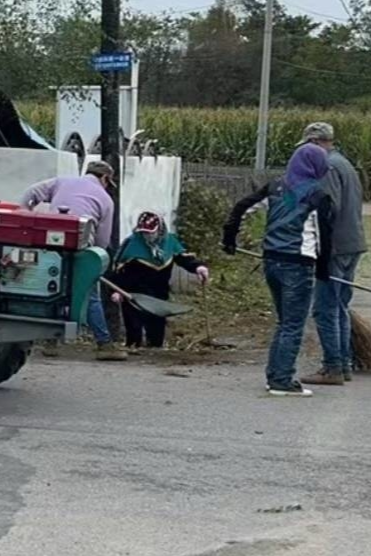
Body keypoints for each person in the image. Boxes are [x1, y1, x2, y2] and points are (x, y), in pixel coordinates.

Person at [222, 142, 335, 397]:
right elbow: (325, 236)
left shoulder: (276, 186)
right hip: (298, 263)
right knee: (293, 325)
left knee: (284, 322)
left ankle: (275, 375)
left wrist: (229, 238)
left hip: (271, 260)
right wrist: (323, 269)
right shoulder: (317, 195)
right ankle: (282, 380)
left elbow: (242, 206)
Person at [20, 159, 127, 361]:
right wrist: (94, 263)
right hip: (81, 248)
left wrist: (25, 214)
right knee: (89, 294)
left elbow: (31, 193)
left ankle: (50, 341)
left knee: (51, 289)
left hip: (50, 245)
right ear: (105, 178)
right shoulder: (105, 199)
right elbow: (103, 240)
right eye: (107, 182)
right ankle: (104, 344)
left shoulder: (62, 182)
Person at [302, 122, 367, 385]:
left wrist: (317, 245)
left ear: (316, 142)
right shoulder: (344, 163)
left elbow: (328, 208)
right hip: (353, 242)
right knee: (340, 305)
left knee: (324, 308)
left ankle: (333, 368)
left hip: (335, 246)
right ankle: (344, 363)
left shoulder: (326, 166)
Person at [110, 211, 209, 351]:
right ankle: (133, 346)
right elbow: (120, 269)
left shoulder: (170, 242)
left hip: (158, 290)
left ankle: (155, 347)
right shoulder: (132, 243)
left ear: (160, 230)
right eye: (144, 233)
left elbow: (183, 258)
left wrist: (198, 267)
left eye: (151, 233)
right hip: (133, 291)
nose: (148, 236)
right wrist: (117, 290)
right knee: (133, 322)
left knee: (157, 320)